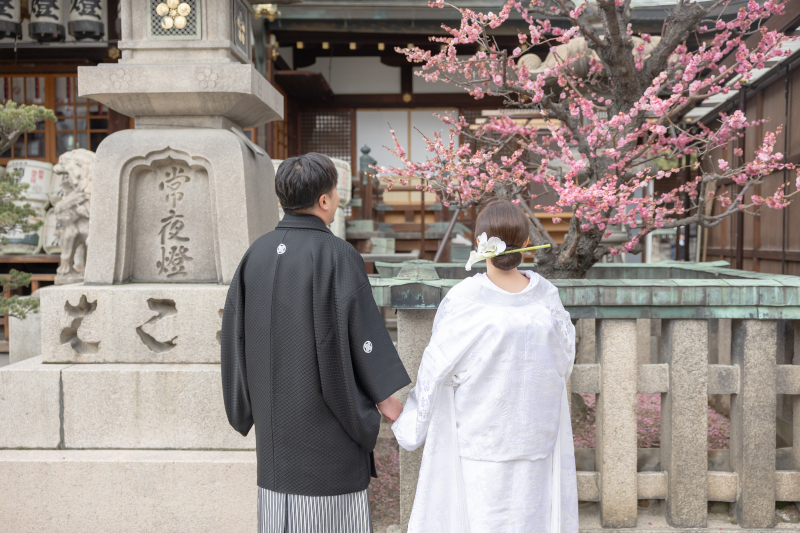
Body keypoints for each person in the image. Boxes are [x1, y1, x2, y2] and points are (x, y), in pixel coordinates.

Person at [221, 152, 411, 533]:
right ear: (325, 201)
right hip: (327, 435)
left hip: (275, 435)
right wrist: (390, 403)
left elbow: (234, 338)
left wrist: (246, 404)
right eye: (336, 192)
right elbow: (363, 337)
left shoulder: (253, 255)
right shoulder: (338, 256)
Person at [392, 199, 578, 533]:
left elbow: (435, 368)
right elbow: (564, 360)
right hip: (534, 432)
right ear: (524, 243)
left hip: (482, 431)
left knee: (482, 518)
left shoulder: (466, 298)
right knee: (530, 518)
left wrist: (410, 423)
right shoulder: (546, 297)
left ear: (480, 243)